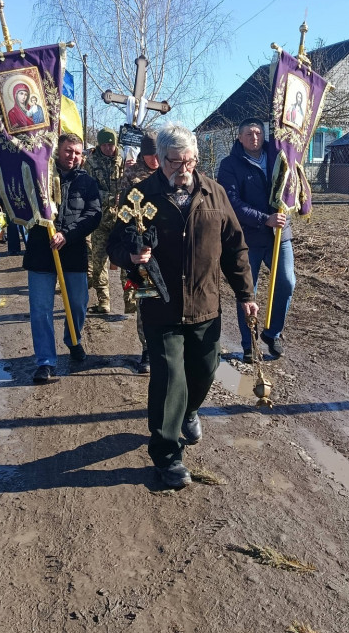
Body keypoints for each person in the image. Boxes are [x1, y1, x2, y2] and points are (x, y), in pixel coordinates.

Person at [108, 123, 257, 488]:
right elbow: (115, 244)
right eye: (176, 161)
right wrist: (131, 254)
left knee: (206, 369)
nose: (184, 168)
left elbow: (235, 247)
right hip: (159, 301)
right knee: (169, 377)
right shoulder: (139, 196)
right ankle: (167, 455)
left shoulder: (214, 193)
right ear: (160, 160)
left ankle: (189, 410)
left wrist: (246, 295)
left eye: (190, 160)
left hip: (205, 301)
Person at [23, 133, 101, 383]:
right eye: (69, 151)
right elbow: (21, 203)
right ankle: (45, 361)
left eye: (78, 152)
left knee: (78, 303)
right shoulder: (39, 176)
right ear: (58, 150)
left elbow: (93, 213)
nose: (73, 157)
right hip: (41, 252)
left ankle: (73, 339)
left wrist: (67, 234)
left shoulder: (87, 182)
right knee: (41, 309)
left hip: (73, 251)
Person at [217, 118, 296, 362]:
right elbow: (232, 203)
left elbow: (292, 186)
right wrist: (264, 219)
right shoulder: (230, 165)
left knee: (286, 282)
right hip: (247, 238)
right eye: (249, 133)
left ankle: (272, 334)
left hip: (279, 236)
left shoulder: (278, 157)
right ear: (239, 138)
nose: (255, 137)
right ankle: (249, 343)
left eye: (258, 133)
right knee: (247, 292)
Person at [119, 128, 159, 373]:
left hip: (165, 246)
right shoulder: (131, 175)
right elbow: (123, 213)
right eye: (150, 155)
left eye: (158, 154)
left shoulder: (170, 171)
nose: (155, 160)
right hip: (141, 246)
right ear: (143, 154)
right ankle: (147, 349)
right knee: (144, 300)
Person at [84, 127, 124, 315]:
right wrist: (110, 197)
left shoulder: (124, 160)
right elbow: (89, 190)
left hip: (122, 220)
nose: (108, 148)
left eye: (111, 144)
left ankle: (131, 303)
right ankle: (104, 302)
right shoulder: (91, 162)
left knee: (127, 262)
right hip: (100, 220)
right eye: (104, 144)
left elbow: (131, 185)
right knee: (99, 262)